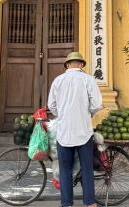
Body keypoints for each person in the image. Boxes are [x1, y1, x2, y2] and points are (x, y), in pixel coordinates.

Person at [47, 51, 103, 207]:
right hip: (84, 131)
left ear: (67, 65)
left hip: (64, 132)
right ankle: (90, 203)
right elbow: (96, 104)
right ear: (81, 65)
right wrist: (88, 113)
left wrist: (62, 115)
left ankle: (67, 203)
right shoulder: (88, 79)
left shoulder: (58, 80)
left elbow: (51, 105)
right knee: (87, 168)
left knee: (65, 169)